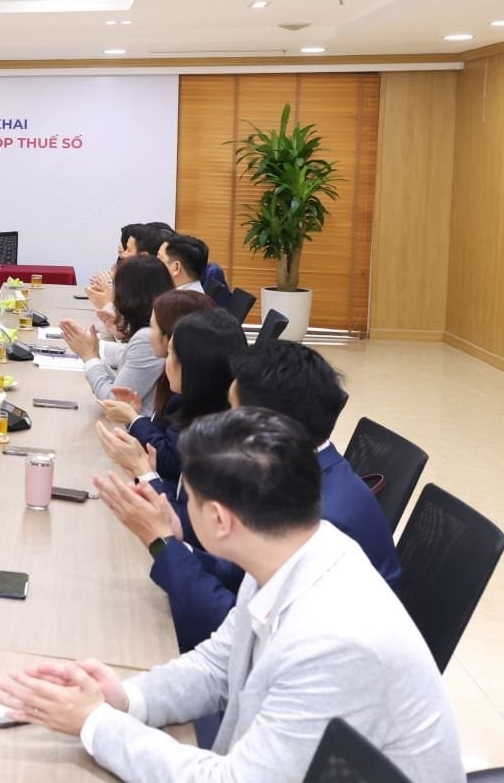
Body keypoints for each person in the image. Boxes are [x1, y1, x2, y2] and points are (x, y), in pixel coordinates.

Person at [0, 408, 461, 782]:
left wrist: (95, 723)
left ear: (219, 520)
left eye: (190, 500)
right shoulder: (292, 548)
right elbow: (220, 665)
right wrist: (125, 698)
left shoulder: (334, 642)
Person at [98, 340, 403, 656]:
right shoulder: (300, 474)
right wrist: (178, 543)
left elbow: (238, 634)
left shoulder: (320, 520)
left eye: (233, 413)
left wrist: (162, 545)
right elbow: (243, 574)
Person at [97, 307, 245, 485]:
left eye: (171, 353)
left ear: (190, 365)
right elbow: (163, 441)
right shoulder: (186, 398)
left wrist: (134, 419)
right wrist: (136, 415)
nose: (165, 361)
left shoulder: (208, 421)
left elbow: (170, 462)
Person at [60, 255, 171, 413]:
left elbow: (114, 401)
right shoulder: (154, 328)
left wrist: (89, 357)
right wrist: (95, 353)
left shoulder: (147, 338)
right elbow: (120, 385)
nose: (113, 296)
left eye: (115, 288)